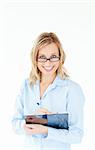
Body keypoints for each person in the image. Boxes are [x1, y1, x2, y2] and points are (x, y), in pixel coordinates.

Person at [12, 32, 85, 150]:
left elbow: (77, 135)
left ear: (61, 57)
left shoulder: (72, 89)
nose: (48, 63)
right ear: (35, 59)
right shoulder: (26, 86)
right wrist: (36, 121)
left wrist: (46, 129)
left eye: (53, 56)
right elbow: (15, 125)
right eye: (42, 57)